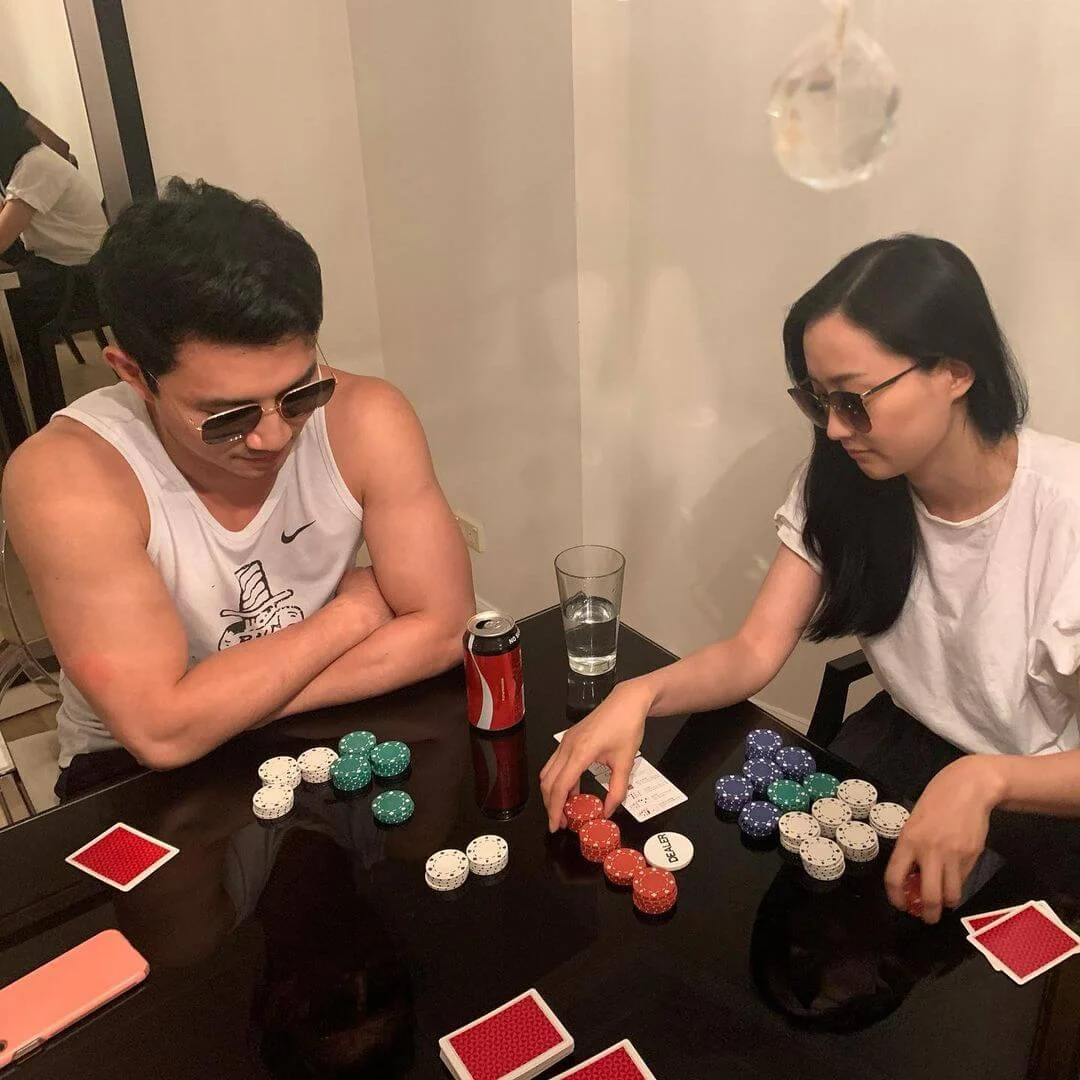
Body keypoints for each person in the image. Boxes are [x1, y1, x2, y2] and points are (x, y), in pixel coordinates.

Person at [542, 235, 1080, 924]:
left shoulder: (1064, 513)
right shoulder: (843, 483)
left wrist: (987, 777)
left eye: (853, 399)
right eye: (817, 400)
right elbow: (753, 651)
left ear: (954, 372)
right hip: (906, 746)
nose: (833, 430)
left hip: (1041, 791)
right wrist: (639, 693)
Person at [2, 178, 475, 798]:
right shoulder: (66, 478)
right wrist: (354, 613)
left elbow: (445, 628)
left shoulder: (368, 418)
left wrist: (220, 709)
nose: (273, 437)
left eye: (300, 392)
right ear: (134, 375)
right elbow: (159, 734)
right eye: (227, 415)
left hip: (329, 705)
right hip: (131, 767)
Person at [0, 81, 108, 434]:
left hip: (83, 278)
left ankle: (29, 421)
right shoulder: (26, 165)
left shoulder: (36, 166)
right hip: (58, 266)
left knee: (7, 315)